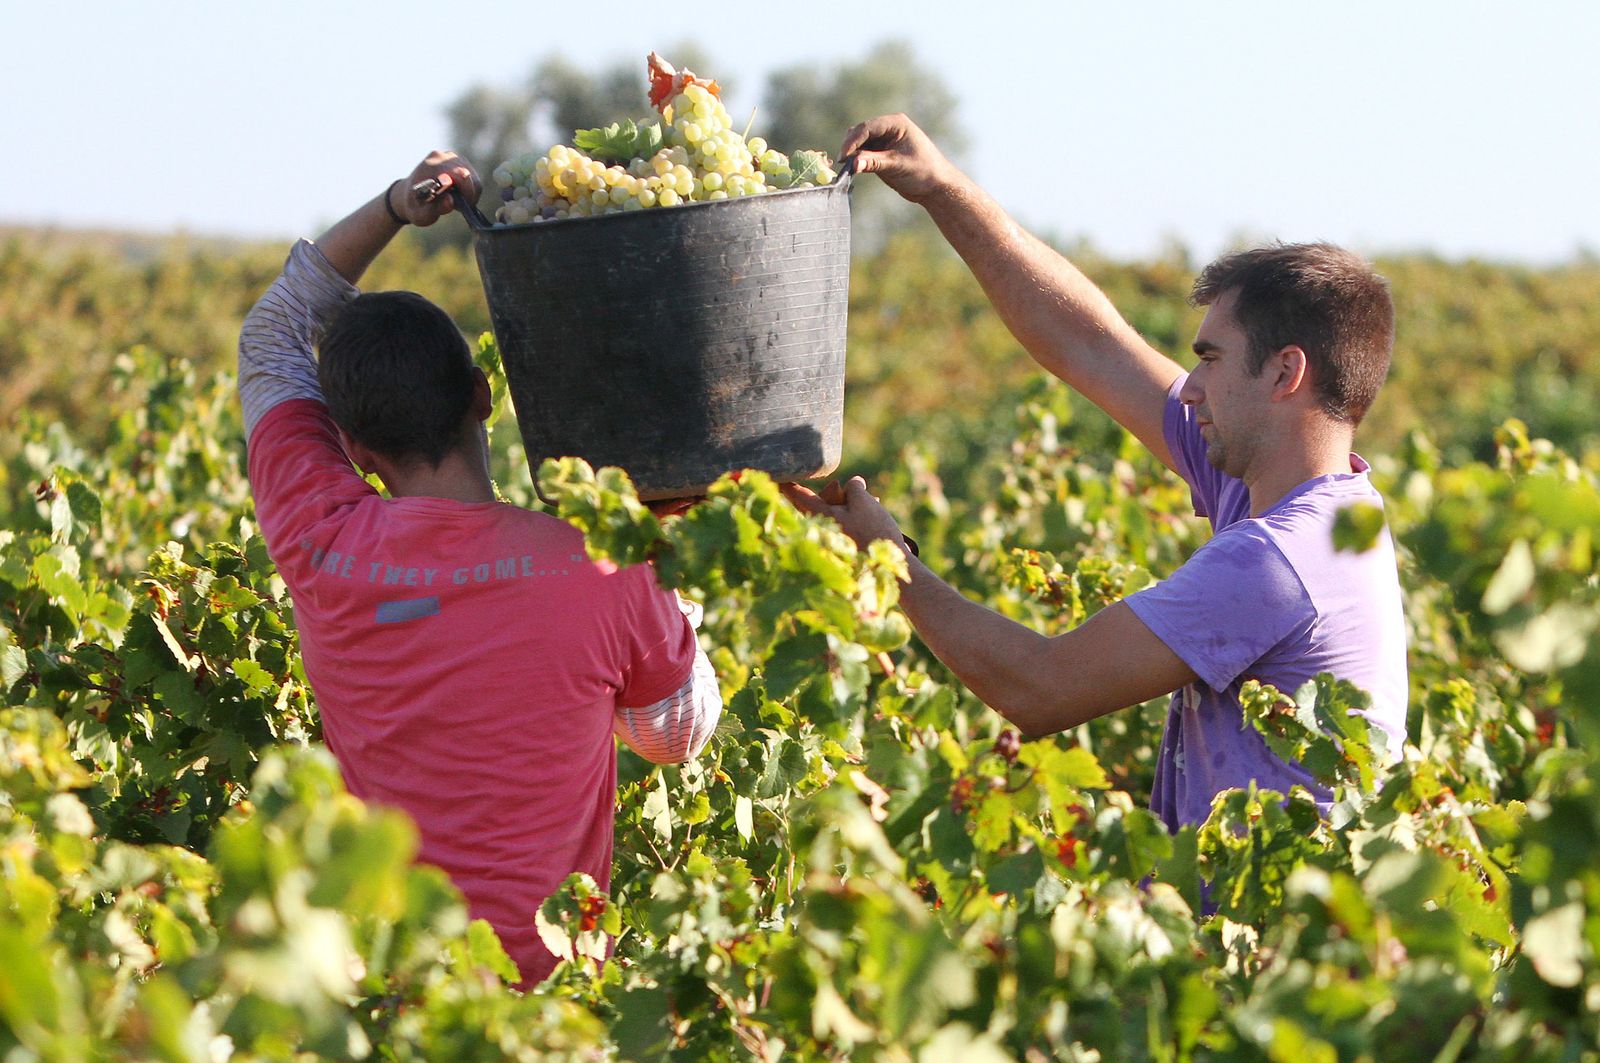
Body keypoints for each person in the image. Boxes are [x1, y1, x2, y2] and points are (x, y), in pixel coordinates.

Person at [788, 115, 1406, 831]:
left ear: (1284, 373)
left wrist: (887, 560)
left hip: (1256, 911)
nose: (1191, 388)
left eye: (1210, 360)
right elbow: (1092, 345)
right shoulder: (1296, 498)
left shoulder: (1279, 560)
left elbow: (1040, 687)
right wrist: (942, 188)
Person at [238, 151, 722, 985]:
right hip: (551, 1011)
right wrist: (668, 575)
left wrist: (396, 207)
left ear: (352, 447)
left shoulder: (319, 541)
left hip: (389, 990)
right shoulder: (602, 565)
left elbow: (272, 331)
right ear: (481, 395)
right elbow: (673, 736)